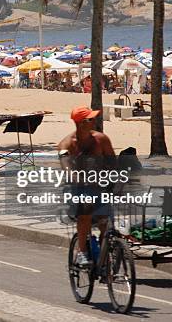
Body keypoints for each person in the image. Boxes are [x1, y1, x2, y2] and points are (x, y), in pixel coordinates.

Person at [57, 106, 116, 266]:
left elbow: (113, 162)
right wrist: (78, 178)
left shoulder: (101, 139)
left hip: (99, 186)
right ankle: (82, 251)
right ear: (81, 123)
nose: (95, 121)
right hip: (77, 188)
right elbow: (66, 164)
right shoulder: (66, 144)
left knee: (106, 223)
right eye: (91, 119)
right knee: (86, 210)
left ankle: (107, 259)